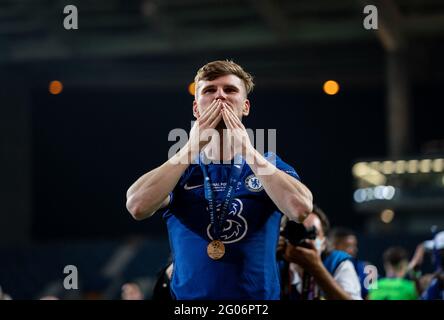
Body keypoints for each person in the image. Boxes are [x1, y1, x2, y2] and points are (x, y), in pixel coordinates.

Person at [126, 60, 313, 300]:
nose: (220, 97)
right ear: (196, 108)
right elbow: (137, 206)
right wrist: (191, 147)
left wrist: (247, 151)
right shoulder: (182, 169)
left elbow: (300, 209)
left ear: (245, 107)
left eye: (230, 90)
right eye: (210, 90)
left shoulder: (268, 165)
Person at [279, 205, 362, 300]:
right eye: (297, 232)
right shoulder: (276, 264)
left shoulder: (337, 262)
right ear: (283, 235)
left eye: (312, 233)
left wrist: (315, 268)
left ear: (324, 242)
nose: (304, 239)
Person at [329, 227, 370, 298]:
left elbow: (369, 296)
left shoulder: (364, 268)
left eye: (355, 245)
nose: (355, 250)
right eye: (349, 246)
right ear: (333, 245)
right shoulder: (324, 265)